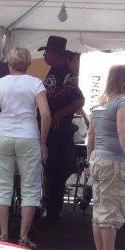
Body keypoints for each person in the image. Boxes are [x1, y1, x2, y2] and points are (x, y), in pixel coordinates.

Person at [0, 48, 50, 249]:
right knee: (30, 187)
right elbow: (46, 115)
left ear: (10, 63)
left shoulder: (0, 83)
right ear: (28, 64)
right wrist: (43, 142)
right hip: (28, 137)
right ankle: (23, 237)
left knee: (2, 185)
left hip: (3, 135)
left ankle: (4, 235)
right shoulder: (35, 84)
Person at [86, 64, 125, 250]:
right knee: (111, 210)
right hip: (114, 162)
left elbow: (90, 134)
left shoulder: (99, 103)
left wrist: (89, 160)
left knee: (99, 209)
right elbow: (123, 131)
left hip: (98, 159)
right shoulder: (122, 102)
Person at [40, 35, 85, 223]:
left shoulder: (67, 75)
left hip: (58, 130)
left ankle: (53, 212)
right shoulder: (53, 72)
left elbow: (79, 100)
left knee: (55, 171)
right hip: (51, 128)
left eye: (47, 52)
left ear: (56, 54)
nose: (44, 56)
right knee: (50, 171)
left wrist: (59, 115)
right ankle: (50, 208)